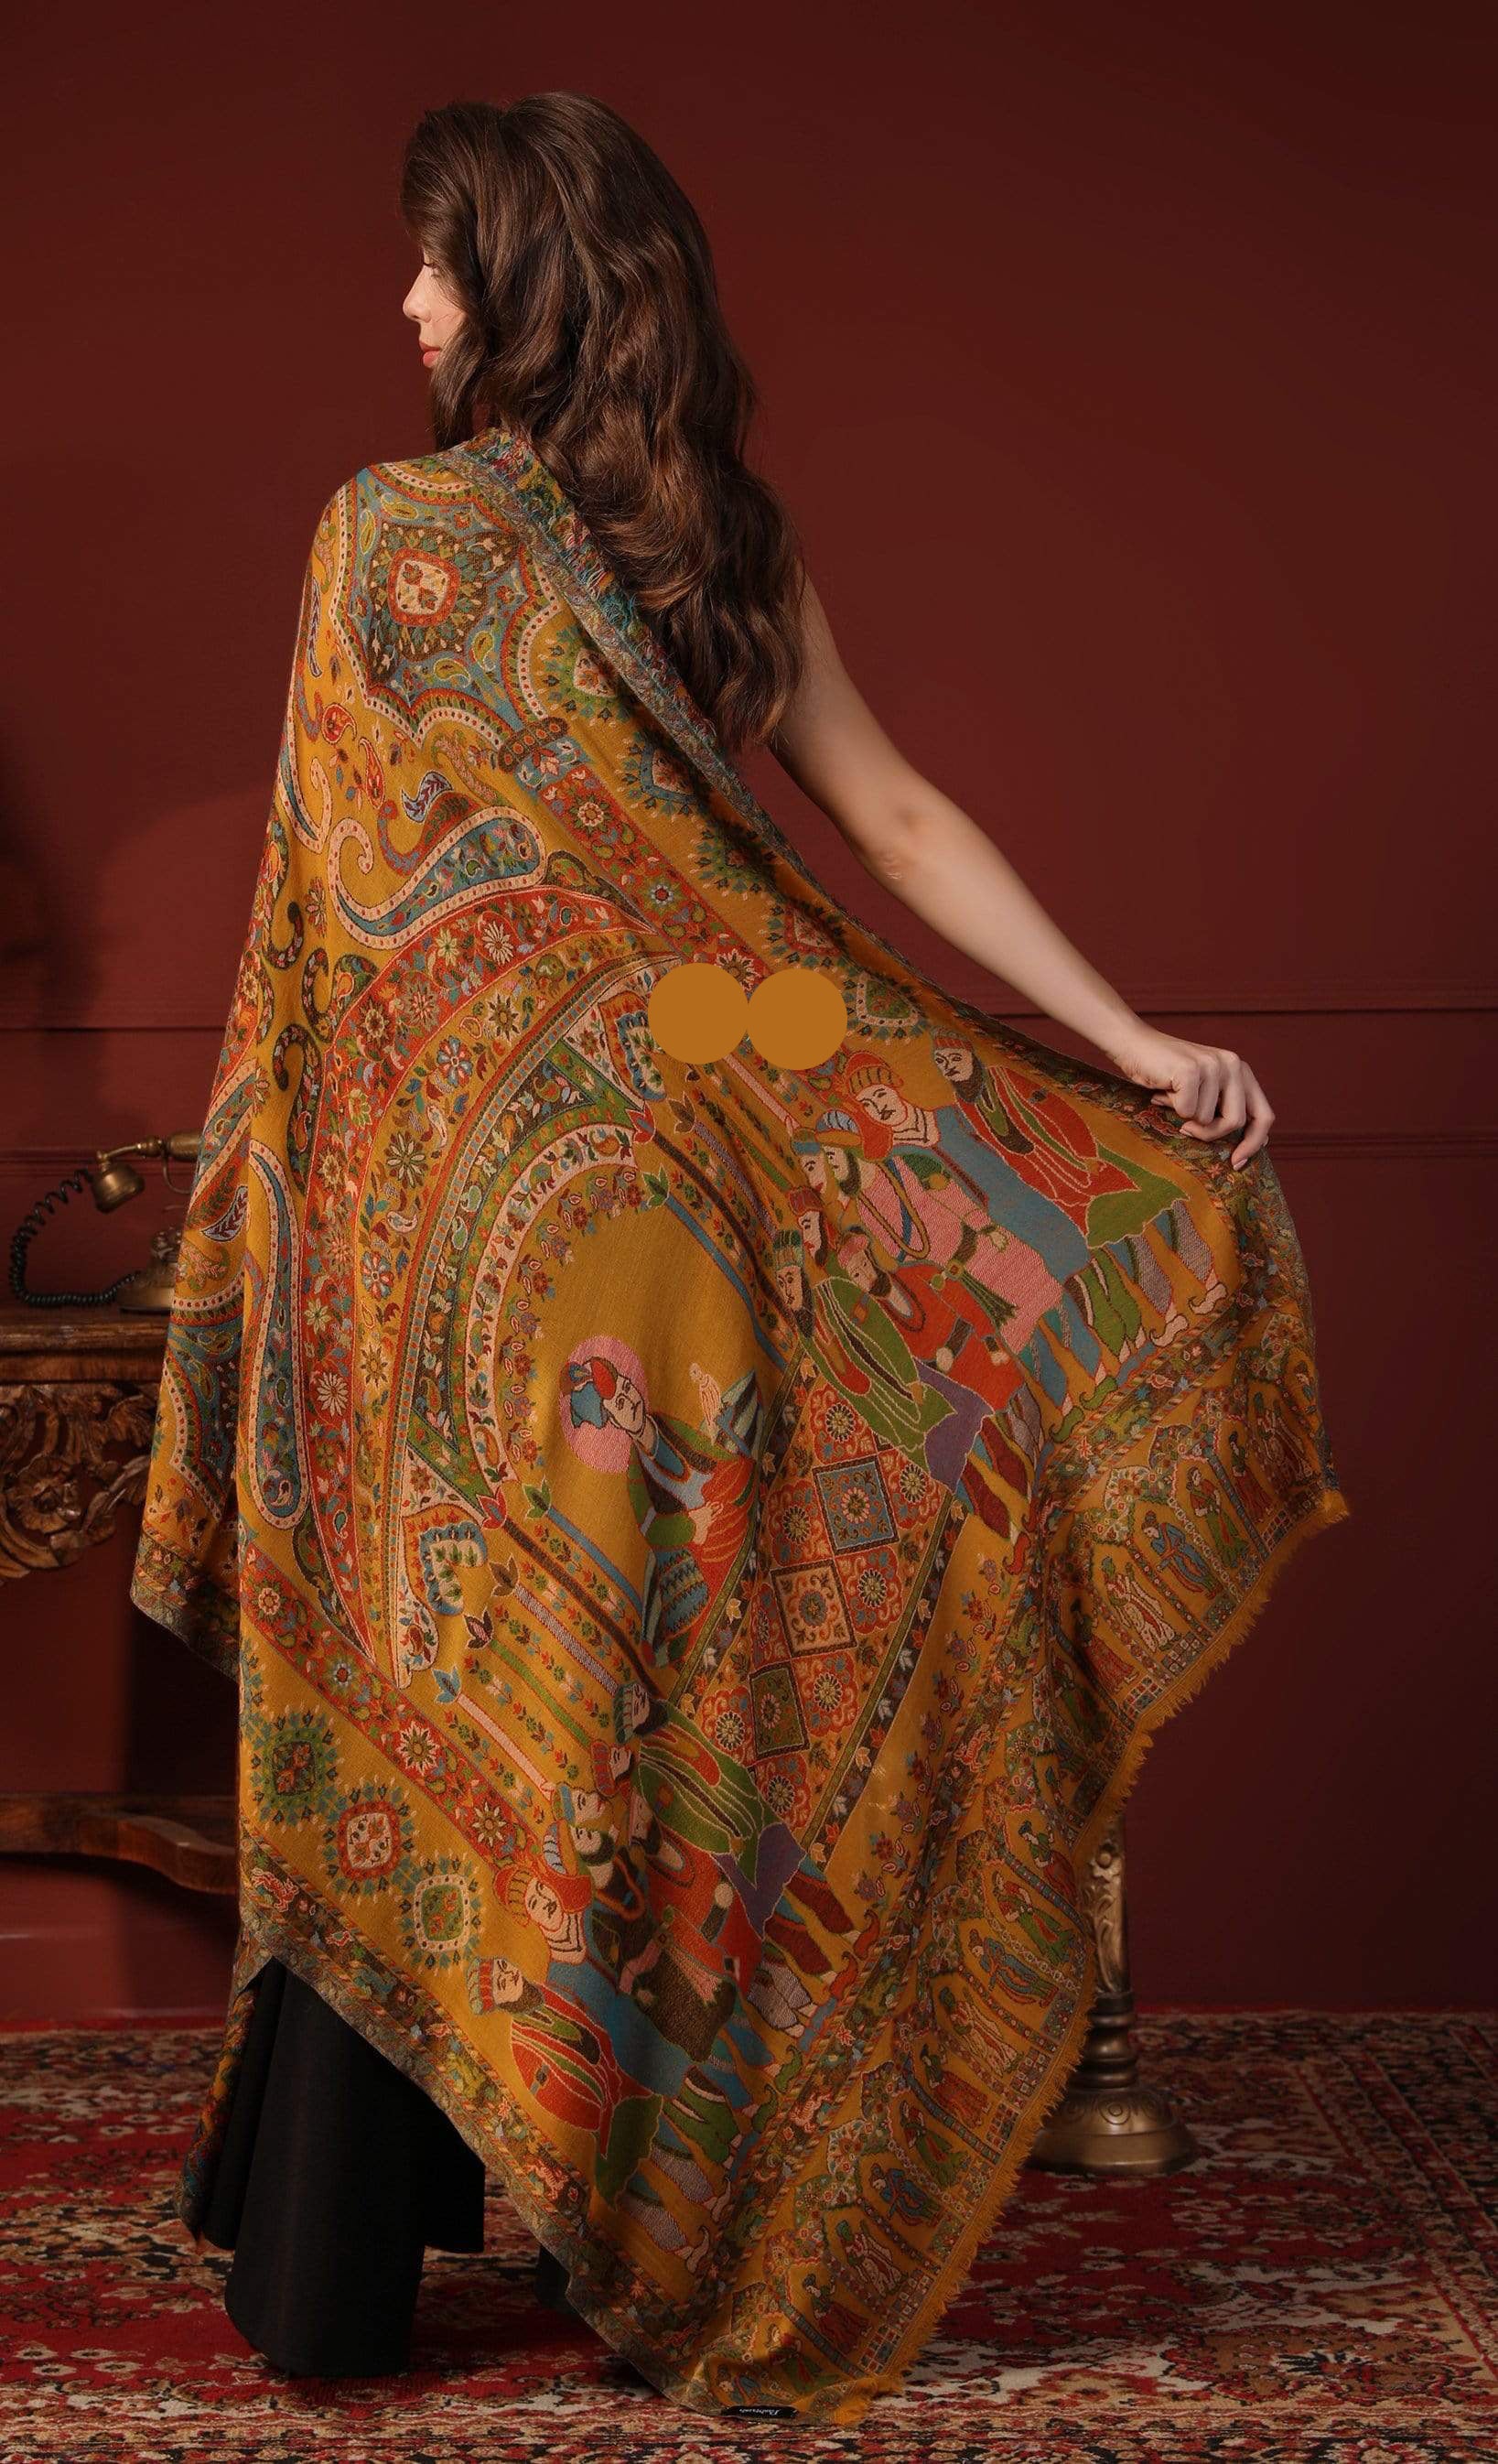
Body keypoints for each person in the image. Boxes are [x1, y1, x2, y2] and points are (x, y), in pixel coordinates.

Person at [132, 91, 1350, 2423]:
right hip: (706, 1219)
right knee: (655, 1719)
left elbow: (336, 934)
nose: (406, 302)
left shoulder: (385, 538)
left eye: (436, 260)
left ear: (524, 281)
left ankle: (334, 2272)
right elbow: (892, 817)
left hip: (481, 1247)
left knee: (447, 1690)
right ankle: (664, 2214)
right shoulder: (726, 547)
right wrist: (1123, 1040)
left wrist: (314, 1211)